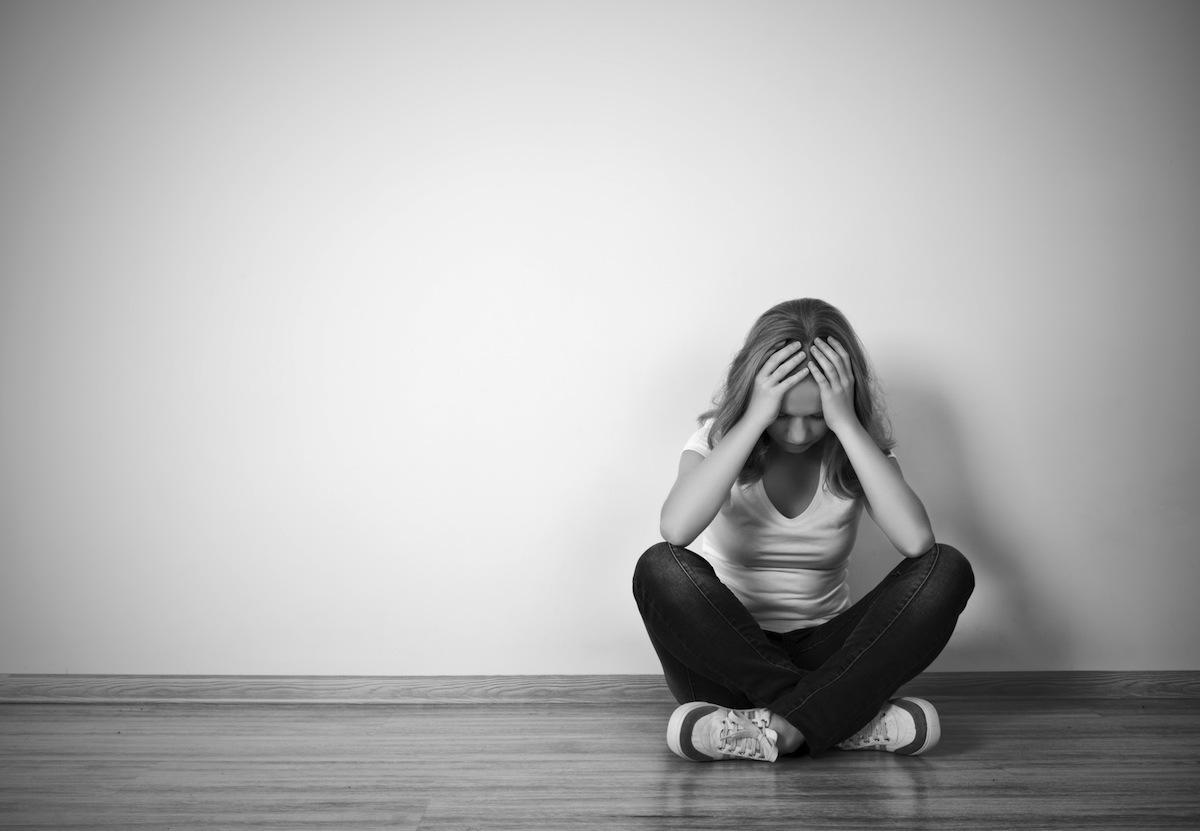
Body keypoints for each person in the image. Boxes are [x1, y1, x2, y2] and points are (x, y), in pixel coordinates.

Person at [632, 297, 975, 763]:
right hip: (722, 662)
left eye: (815, 416)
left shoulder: (856, 451)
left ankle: (770, 725)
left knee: (947, 569)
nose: (797, 434)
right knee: (658, 567)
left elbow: (917, 543)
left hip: (825, 656)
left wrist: (845, 422)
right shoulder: (717, 442)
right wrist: (754, 418)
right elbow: (675, 529)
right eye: (782, 415)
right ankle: (835, 719)